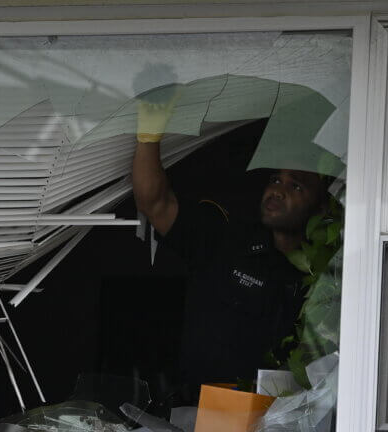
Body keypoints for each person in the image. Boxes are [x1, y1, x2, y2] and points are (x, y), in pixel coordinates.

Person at [130, 92, 329, 400]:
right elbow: (154, 203)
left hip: (283, 419)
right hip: (204, 414)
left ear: (320, 208)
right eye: (275, 180)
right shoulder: (223, 241)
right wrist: (149, 134)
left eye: (296, 185)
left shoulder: (326, 277)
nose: (278, 191)